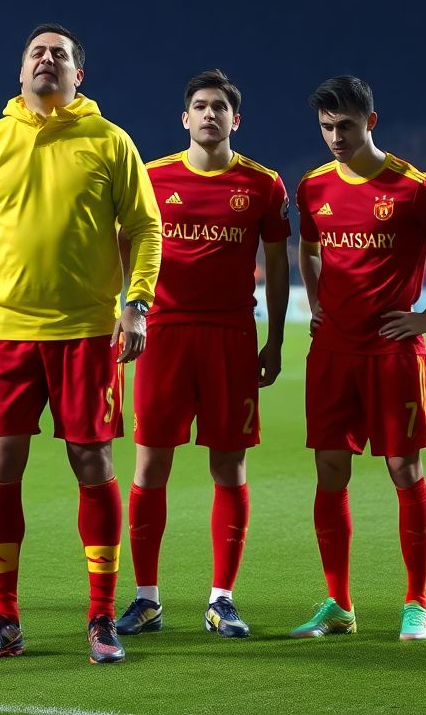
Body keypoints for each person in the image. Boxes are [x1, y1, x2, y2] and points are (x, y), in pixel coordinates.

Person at [0, 24, 162, 664]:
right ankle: (4, 617)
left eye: (59, 54)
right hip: (6, 331)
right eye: (36, 52)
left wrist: (137, 303)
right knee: (0, 465)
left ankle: (101, 615)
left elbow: (146, 227)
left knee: (92, 464)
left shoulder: (110, 140)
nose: (46, 59)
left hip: (85, 331)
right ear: (20, 71)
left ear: (77, 75)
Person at [292, 76, 426, 642]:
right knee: (330, 470)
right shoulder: (313, 187)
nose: (335, 137)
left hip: (393, 352)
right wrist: (316, 302)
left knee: (403, 469)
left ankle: (416, 603)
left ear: (370, 122)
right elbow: (307, 248)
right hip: (332, 353)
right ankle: (338, 604)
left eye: (345, 126)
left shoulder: (414, 187)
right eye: (326, 127)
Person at [115, 70, 290, 640]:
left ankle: (222, 600)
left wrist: (276, 339)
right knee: (150, 466)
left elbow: (278, 268)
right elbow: (124, 243)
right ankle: (146, 599)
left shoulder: (264, 184)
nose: (209, 114)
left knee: (229, 466)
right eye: (200, 106)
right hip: (164, 335)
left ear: (236, 119)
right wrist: (130, 305)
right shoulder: (152, 177)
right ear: (184, 117)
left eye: (219, 107)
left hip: (231, 338)